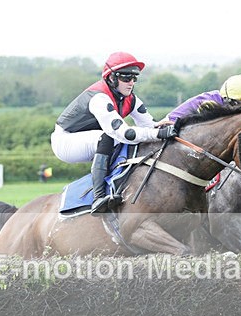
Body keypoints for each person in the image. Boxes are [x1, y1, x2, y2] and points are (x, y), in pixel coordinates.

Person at [51, 51, 177, 214]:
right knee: (108, 138)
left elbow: (149, 126)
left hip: (90, 137)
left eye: (134, 78)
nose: (131, 82)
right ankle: (98, 197)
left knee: (137, 140)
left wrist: (165, 128)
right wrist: (158, 134)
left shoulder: (131, 99)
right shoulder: (99, 99)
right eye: (126, 77)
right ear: (111, 78)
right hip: (65, 141)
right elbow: (125, 134)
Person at [164, 74, 241, 123]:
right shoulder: (210, 103)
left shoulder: (225, 99)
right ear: (228, 98)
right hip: (170, 124)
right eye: (239, 102)